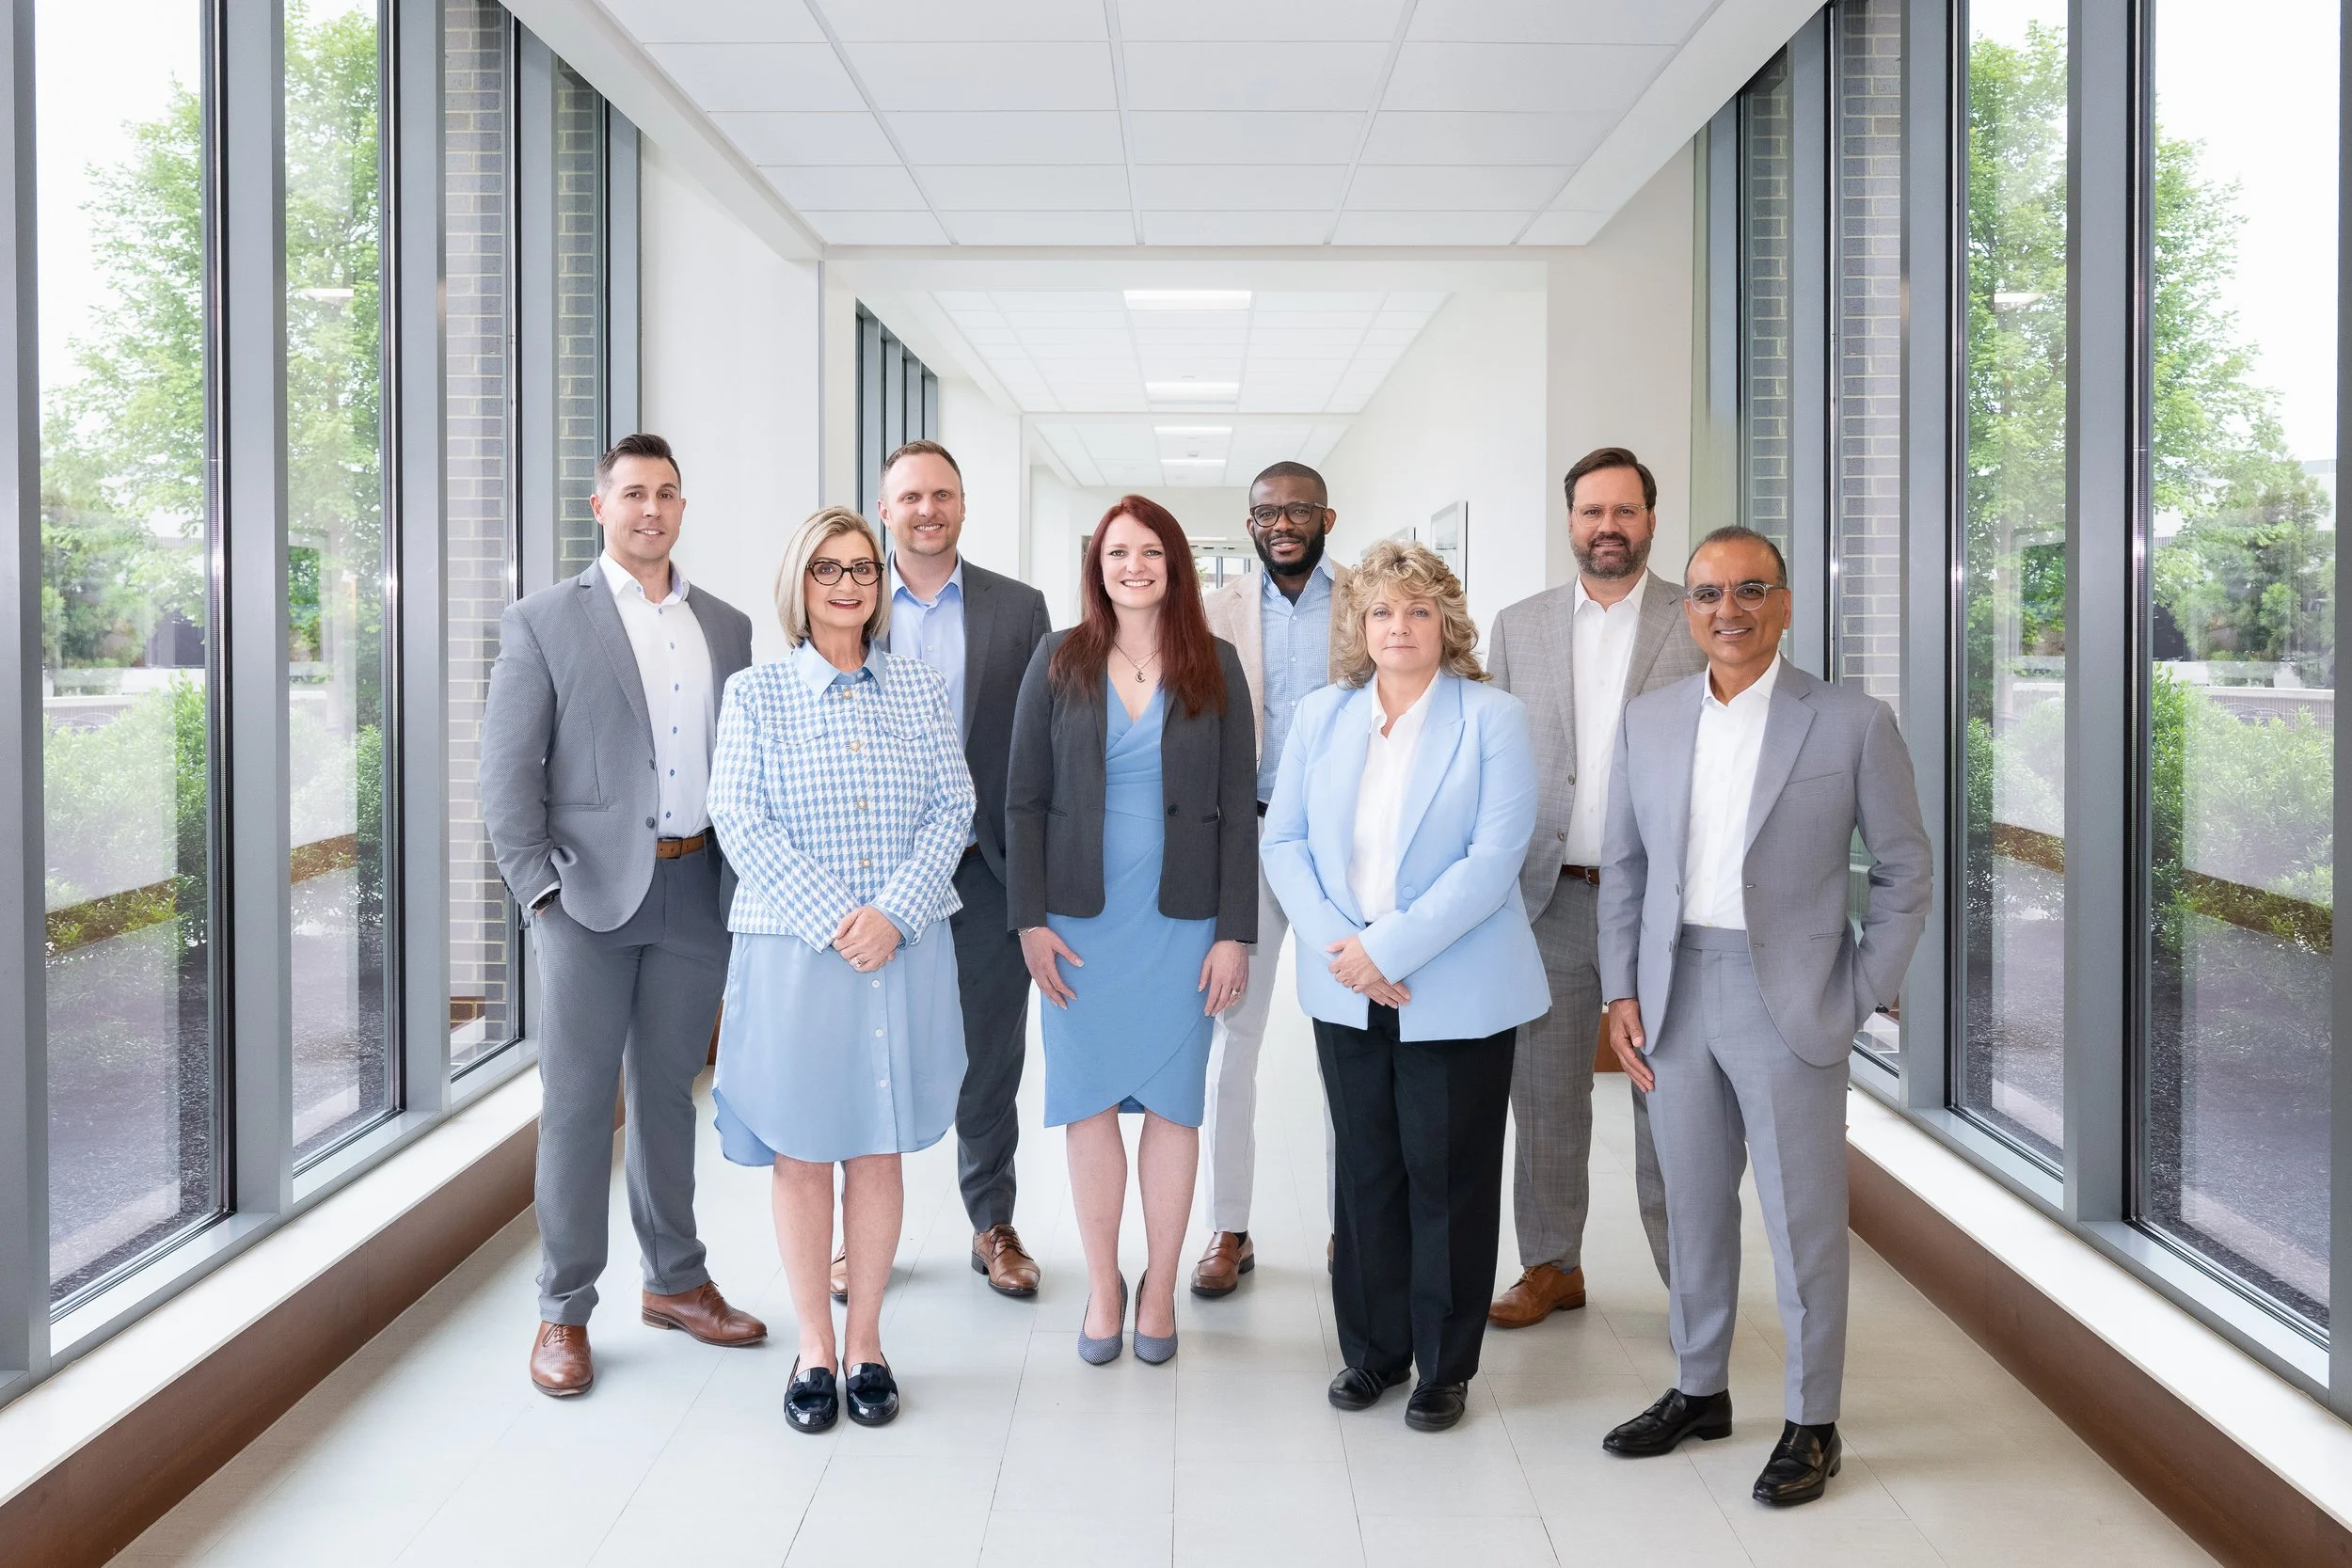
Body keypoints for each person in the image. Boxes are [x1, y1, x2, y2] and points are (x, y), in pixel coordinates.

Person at [1596, 525, 1931, 1505]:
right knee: (1689, 1208)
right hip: (1671, 995)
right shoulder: (1649, 719)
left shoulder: (1850, 720)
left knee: (1801, 1222)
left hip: (1790, 998)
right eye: (1706, 594)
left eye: (1749, 591)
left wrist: (1860, 988)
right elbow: (1625, 867)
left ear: (1784, 603)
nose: (1727, 611)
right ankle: (1698, 1388)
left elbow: (1907, 872)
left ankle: (1810, 1418)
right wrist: (1622, 990)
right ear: (1685, 608)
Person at [481, 433, 768, 1398]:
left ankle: (676, 1280)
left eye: (669, 494)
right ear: (600, 506)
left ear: (684, 509)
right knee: (573, 1107)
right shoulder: (542, 620)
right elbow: (505, 775)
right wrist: (542, 895)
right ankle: (563, 1310)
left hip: (696, 892)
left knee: (669, 1098)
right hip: (587, 903)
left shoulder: (727, 627)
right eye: (634, 493)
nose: (653, 509)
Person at [1263, 541, 1549, 1433]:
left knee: (1451, 1175)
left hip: (1455, 987)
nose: (1399, 627)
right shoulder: (1320, 716)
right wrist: (1346, 952)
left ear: (1447, 624)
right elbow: (1288, 844)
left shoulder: (1492, 718)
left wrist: (1386, 949)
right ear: (1358, 625)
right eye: (1382, 611)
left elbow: (1493, 862)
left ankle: (1444, 1365)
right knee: (1367, 1171)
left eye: (1419, 611)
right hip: (1346, 986)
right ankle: (1375, 1351)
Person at [705, 505, 975, 1434]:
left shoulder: (921, 690)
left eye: (863, 566)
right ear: (800, 583)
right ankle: (812, 1343)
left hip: (900, 949)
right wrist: (836, 918)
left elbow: (954, 806)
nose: (849, 583)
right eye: (827, 568)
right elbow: (740, 821)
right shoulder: (756, 694)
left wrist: (892, 913)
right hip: (795, 954)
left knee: (875, 1143)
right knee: (802, 1150)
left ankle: (866, 1340)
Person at [1005, 497, 1256, 1367]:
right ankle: (1105, 1283)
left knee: (1175, 1107)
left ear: (1176, 564)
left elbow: (1239, 816)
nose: (1134, 565)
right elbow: (1022, 800)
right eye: (1118, 551)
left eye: (1151, 550)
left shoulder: (1216, 664)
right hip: (1078, 921)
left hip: (1182, 922)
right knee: (1089, 1104)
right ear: (1097, 565)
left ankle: (1160, 1286)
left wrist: (1236, 932)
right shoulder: (1058, 658)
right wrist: (1029, 920)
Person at [818, 439, 1051, 1307]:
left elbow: (1037, 757)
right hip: (874, 879)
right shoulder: (848, 598)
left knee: (990, 1054)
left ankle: (991, 1221)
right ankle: (856, 1239)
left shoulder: (1019, 608)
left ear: (962, 504)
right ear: (884, 508)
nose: (927, 508)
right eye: (910, 495)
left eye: (942, 493)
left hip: (983, 869)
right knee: (869, 1054)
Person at [1485, 446, 1706, 1329]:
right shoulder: (1520, 624)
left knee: (1668, 1095)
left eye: (1624, 511)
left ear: (1650, 520)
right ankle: (1551, 1264)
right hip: (1548, 897)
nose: (1606, 527)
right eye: (1590, 511)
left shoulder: (1696, 620)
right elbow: (1497, 760)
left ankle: (1689, 1279)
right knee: (1542, 1096)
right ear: (1569, 521)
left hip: (1660, 907)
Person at [1194, 461, 1352, 1296]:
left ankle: (1350, 1227)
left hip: (1342, 854)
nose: (1280, 524)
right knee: (1232, 1041)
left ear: (1327, 515)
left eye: (1296, 510)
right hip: (1247, 843)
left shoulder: (1367, 602)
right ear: (1249, 523)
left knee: (1348, 1046)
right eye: (1265, 513)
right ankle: (1228, 1227)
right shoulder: (1215, 612)